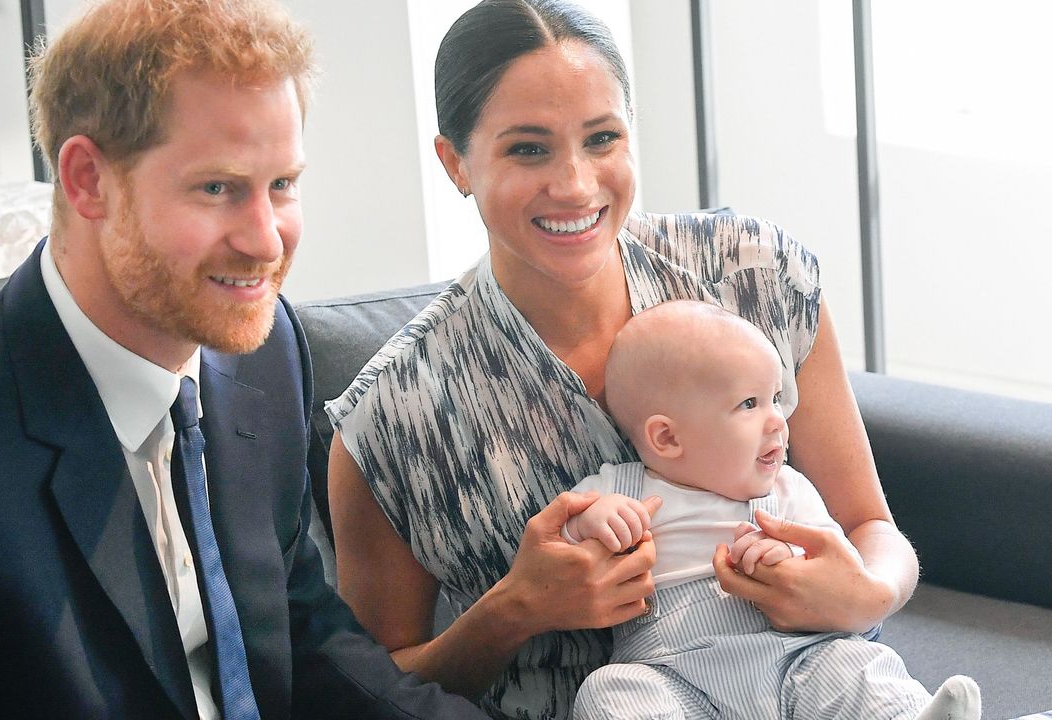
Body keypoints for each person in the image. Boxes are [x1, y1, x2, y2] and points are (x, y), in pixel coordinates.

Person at [0, 1, 489, 718]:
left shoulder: (262, 353)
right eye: (217, 188)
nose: (266, 241)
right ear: (88, 179)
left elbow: (308, 641)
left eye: (281, 185)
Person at [325, 1, 922, 718]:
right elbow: (367, 695)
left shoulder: (754, 276)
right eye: (528, 148)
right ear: (456, 163)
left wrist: (870, 591)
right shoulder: (392, 416)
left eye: (602, 138)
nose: (576, 185)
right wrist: (515, 610)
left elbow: (870, 526)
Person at [560, 300, 981, 719]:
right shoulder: (619, 489)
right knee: (608, 691)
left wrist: (789, 561)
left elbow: (837, 567)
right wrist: (592, 521)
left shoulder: (788, 489)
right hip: (674, 675)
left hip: (797, 659)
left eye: (776, 397)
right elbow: (558, 545)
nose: (778, 419)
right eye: (749, 403)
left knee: (855, 666)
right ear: (667, 438)